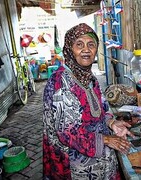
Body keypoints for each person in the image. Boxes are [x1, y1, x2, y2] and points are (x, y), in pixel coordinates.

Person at [43, 23, 134, 180]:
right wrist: (106, 139)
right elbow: (67, 133)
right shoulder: (61, 83)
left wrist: (111, 123)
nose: (86, 49)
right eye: (79, 44)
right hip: (75, 166)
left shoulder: (90, 79)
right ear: (69, 49)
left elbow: (101, 110)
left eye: (91, 45)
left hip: (101, 161)